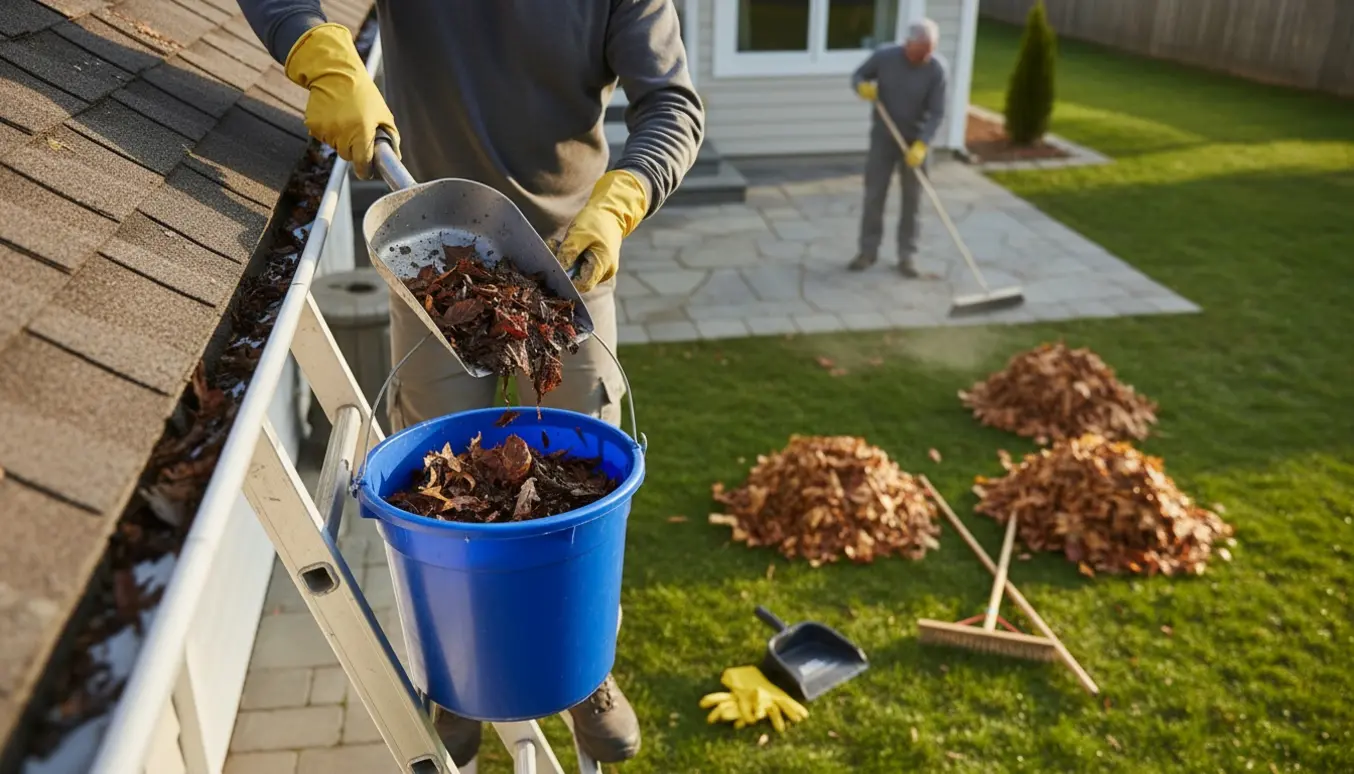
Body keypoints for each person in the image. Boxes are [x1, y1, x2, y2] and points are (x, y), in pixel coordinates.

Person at [236, 1, 705, 767]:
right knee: (435, 493)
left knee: (585, 479)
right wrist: (315, 47)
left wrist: (621, 202)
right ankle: (455, 682)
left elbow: (673, 106)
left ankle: (583, 669)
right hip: (434, 259)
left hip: (568, 265)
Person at [848, 19, 948, 277]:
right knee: (874, 195)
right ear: (908, 44)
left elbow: (937, 113)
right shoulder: (885, 57)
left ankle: (907, 256)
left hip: (915, 142)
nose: (927, 55)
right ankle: (867, 252)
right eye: (922, 49)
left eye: (931, 49)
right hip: (883, 138)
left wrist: (922, 144)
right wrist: (862, 86)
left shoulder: (936, 70)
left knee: (912, 201)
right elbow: (858, 75)